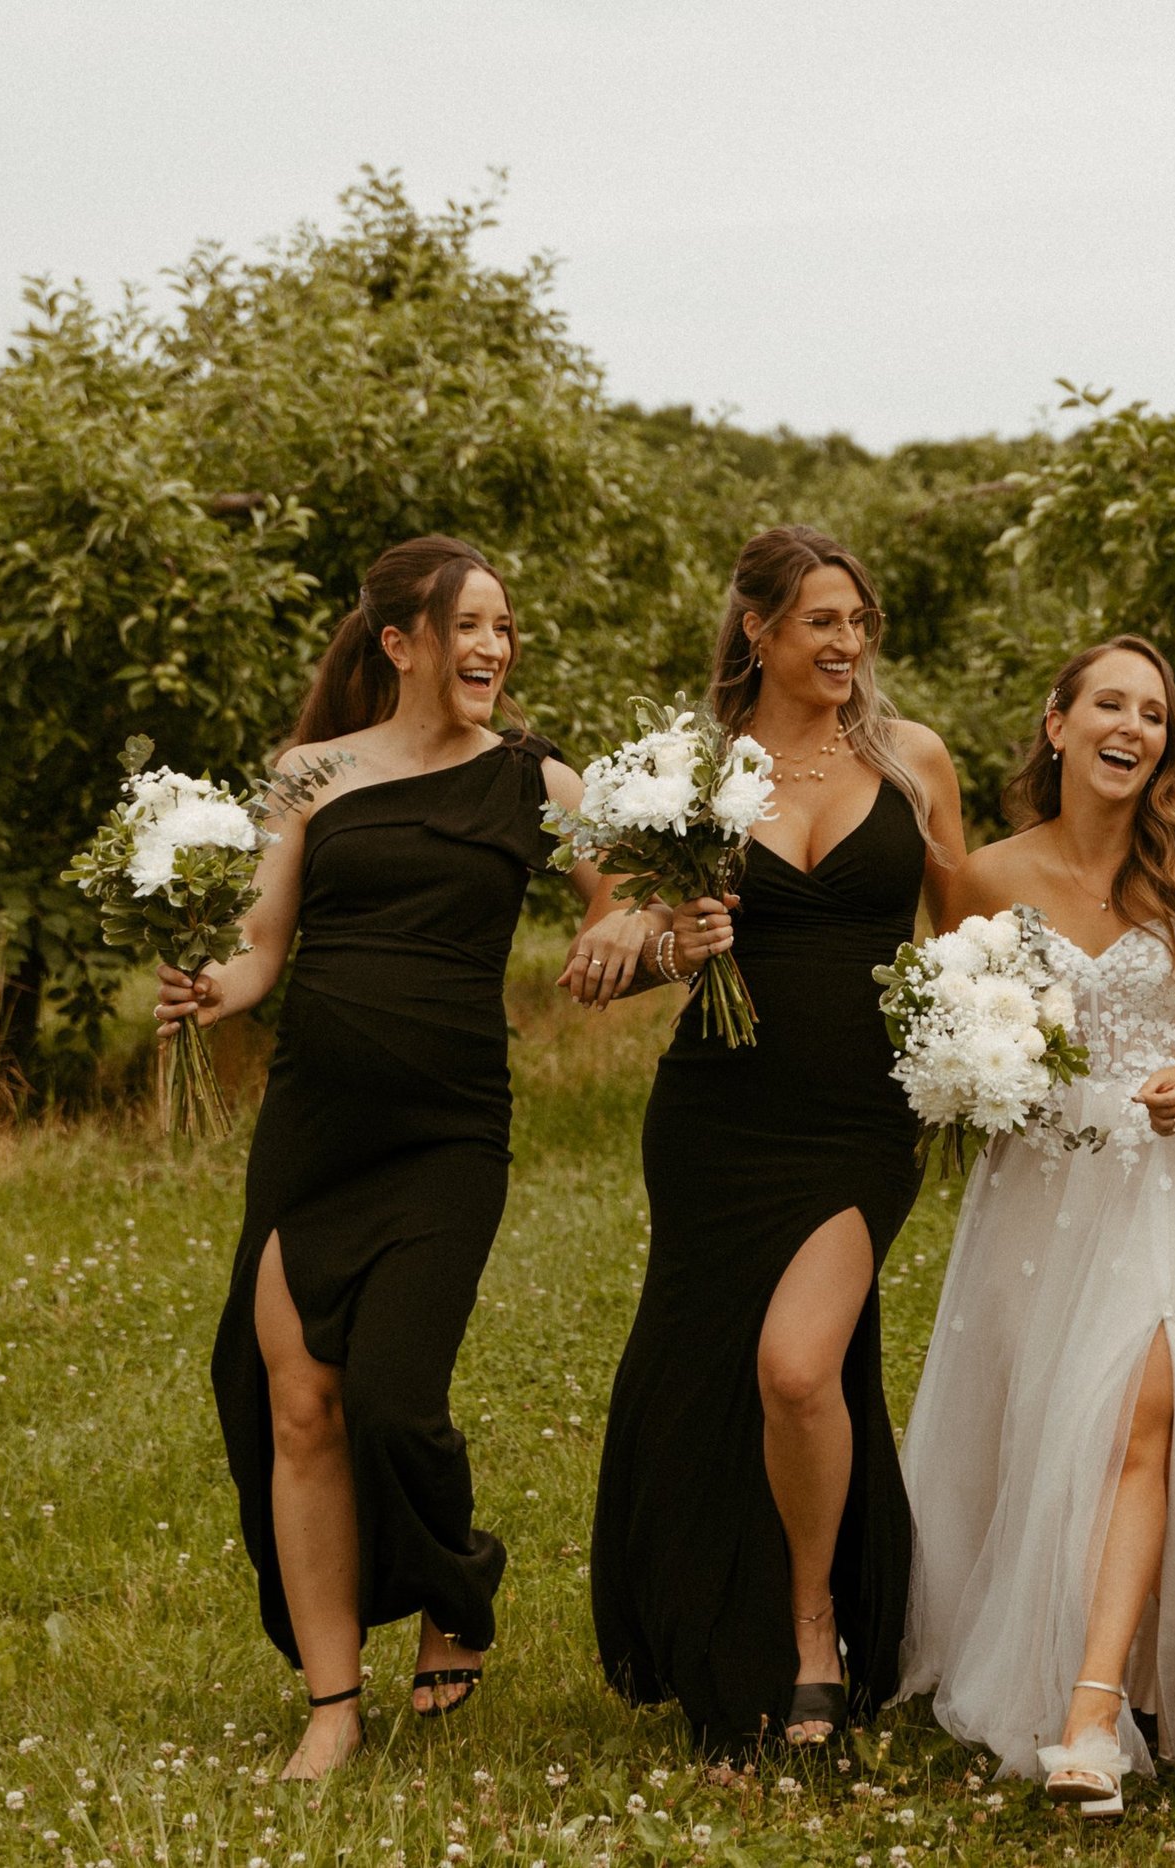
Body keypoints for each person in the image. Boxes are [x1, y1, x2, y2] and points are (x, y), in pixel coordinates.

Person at [165, 535, 634, 1780]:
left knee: (389, 1398)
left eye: (503, 626)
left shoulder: (542, 779)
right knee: (301, 1405)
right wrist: (218, 984)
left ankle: (456, 1582)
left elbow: (627, 896)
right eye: (469, 625)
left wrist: (624, 928)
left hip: (448, 1131)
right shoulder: (305, 774)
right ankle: (332, 1701)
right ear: (400, 642)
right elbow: (266, 945)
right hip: (315, 1125)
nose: (492, 647)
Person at [898, 637, 1175, 1818]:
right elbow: (949, 1019)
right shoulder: (982, 877)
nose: (1132, 725)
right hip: (1045, 1187)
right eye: (1110, 705)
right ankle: (1115, 1645)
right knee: (1058, 1418)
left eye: (1153, 712)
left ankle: (1089, 1713)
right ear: (1057, 722)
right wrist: (980, 1077)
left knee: (1148, 1397)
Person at [588, 524, 967, 1751]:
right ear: (758, 628)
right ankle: (714, 1619)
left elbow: (968, 930)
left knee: (801, 1367)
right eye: (822, 621)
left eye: (860, 622)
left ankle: (814, 1629)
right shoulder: (690, 775)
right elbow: (603, 958)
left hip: (865, 1115)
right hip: (716, 1115)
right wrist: (663, 945)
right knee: (712, 1372)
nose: (848, 643)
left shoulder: (912, 761)